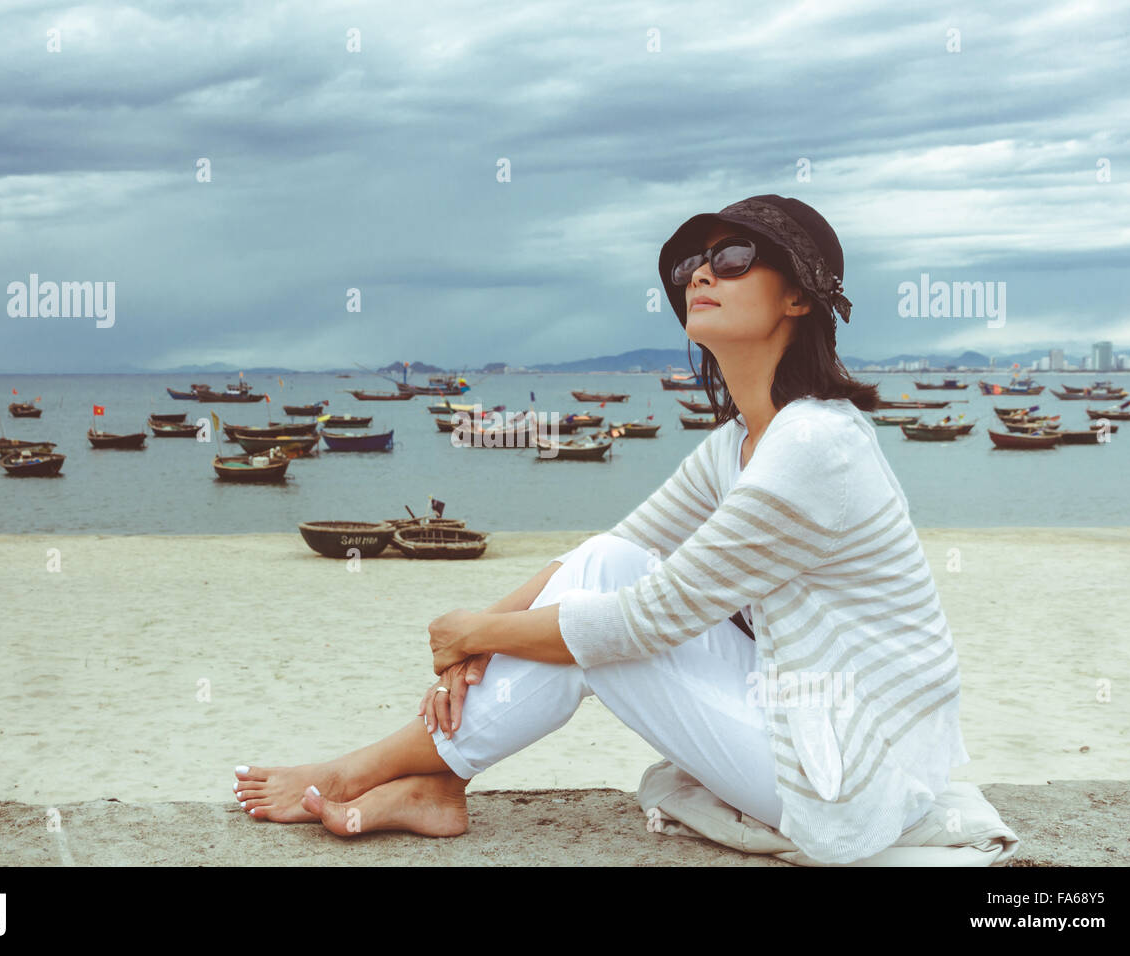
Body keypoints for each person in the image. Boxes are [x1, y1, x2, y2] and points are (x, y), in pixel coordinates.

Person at [233, 194, 970, 863]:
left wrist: (477, 635)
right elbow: (615, 547)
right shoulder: (738, 442)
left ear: (800, 299)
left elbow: (649, 617)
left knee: (604, 605)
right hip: (804, 722)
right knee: (606, 562)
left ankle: (364, 772)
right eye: (692, 262)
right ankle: (433, 787)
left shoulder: (811, 444)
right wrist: (477, 629)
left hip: (856, 771)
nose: (700, 276)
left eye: (733, 259)